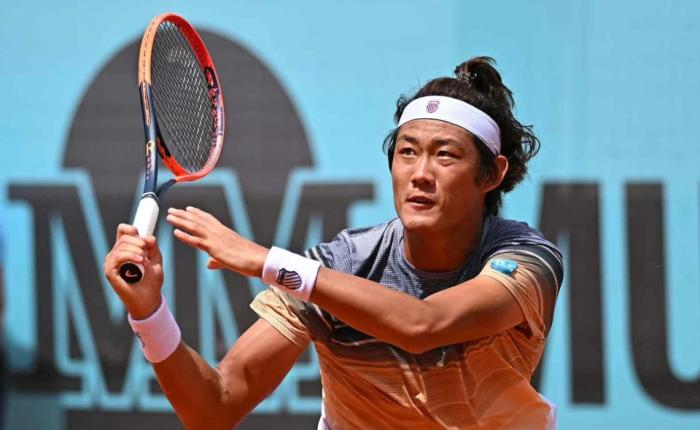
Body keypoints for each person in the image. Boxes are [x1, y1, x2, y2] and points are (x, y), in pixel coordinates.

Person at [104, 56, 563, 429]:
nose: (420, 174)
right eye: (407, 152)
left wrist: (269, 262)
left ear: (492, 174)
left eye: (445, 155)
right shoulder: (344, 264)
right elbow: (214, 409)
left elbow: (424, 324)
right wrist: (149, 313)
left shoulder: (525, 259)